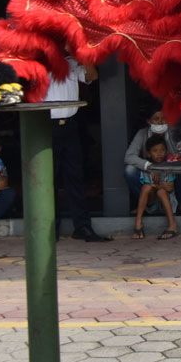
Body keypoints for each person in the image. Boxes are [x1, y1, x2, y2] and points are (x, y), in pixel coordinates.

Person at [47, 55, 109, 242]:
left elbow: (92, 76)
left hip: (70, 125)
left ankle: (82, 226)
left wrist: (82, 52)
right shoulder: (42, 60)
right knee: (49, 178)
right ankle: (49, 228)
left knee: (75, 176)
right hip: (46, 126)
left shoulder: (72, 62)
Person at [123, 108, 181, 214]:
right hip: (149, 172)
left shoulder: (173, 131)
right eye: (156, 119)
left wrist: (180, 155)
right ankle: (145, 204)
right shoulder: (142, 134)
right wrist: (150, 167)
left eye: (164, 118)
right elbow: (129, 156)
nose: (160, 122)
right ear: (149, 121)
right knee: (130, 170)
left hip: (171, 170)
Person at [131, 135, 179, 240]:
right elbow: (149, 187)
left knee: (161, 191)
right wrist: (159, 185)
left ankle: (172, 225)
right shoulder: (147, 169)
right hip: (152, 205)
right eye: (155, 151)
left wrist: (157, 186)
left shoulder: (168, 167)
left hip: (168, 204)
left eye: (162, 150)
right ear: (149, 153)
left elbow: (169, 188)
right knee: (146, 188)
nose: (159, 153)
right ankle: (138, 224)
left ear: (166, 151)